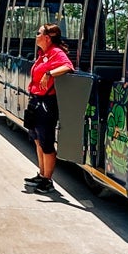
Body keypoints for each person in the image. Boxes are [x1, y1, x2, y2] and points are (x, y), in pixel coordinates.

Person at [24, 23, 76, 193]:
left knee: (46, 141)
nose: (36, 35)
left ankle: (48, 180)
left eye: (38, 33)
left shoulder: (56, 53)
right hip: (35, 100)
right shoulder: (43, 54)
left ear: (47, 37)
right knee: (37, 139)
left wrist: (50, 73)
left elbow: (68, 66)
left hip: (46, 103)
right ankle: (41, 174)